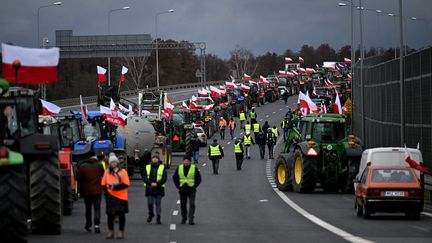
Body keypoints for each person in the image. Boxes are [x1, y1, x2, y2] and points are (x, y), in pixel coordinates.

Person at [101, 155, 130, 239]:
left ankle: (121, 231)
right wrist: (107, 193)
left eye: (115, 162)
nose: (113, 163)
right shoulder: (106, 172)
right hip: (111, 197)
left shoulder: (123, 172)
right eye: (112, 162)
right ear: (109, 164)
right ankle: (110, 231)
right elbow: (103, 184)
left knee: (121, 215)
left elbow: (126, 184)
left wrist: (114, 187)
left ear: (117, 163)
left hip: (121, 197)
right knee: (110, 215)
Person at [76, 153, 104, 234]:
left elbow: (78, 178)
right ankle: (97, 225)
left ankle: (88, 224)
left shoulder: (83, 166)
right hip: (97, 191)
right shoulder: (99, 165)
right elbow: (103, 175)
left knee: (88, 209)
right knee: (97, 208)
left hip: (87, 191)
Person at [173, 156, 202, 225]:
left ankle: (191, 219)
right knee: (183, 205)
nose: (186, 162)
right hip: (182, 190)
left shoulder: (194, 168)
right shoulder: (179, 168)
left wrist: (194, 186)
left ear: (190, 162)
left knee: (192, 204)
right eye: (185, 161)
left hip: (191, 190)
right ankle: (184, 218)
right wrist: (178, 186)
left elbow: (199, 179)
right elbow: (175, 177)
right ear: (183, 161)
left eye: (188, 161)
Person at [143, 155, 167, 225]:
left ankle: (158, 217)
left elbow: (164, 178)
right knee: (150, 203)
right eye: (154, 158)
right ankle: (151, 214)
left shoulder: (162, 167)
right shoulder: (147, 167)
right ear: (151, 160)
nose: (155, 160)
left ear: (158, 160)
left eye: (156, 159)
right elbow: (144, 177)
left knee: (158, 203)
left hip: (159, 188)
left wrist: (157, 184)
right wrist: (150, 183)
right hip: (149, 188)